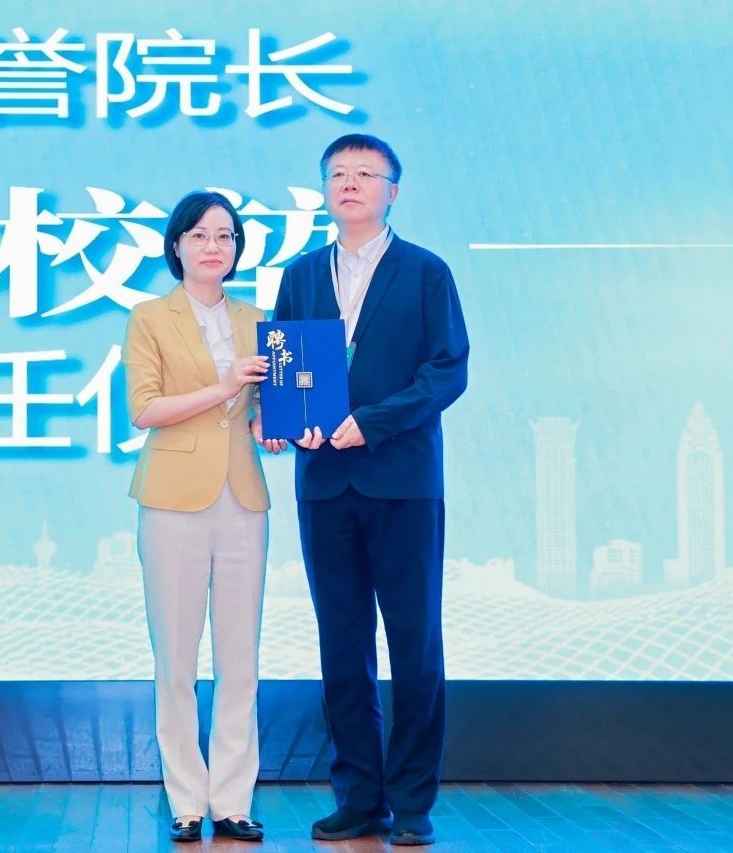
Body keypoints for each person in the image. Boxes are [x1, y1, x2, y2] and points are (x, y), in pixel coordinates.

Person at [272, 135, 469, 846]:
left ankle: (412, 801)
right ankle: (358, 796)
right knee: (342, 644)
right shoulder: (301, 274)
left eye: (365, 173)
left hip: (402, 482)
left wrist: (371, 423)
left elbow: (447, 371)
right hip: (325, 483)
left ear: (393, 190)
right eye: (338, 174)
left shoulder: (426, 272)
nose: (349, 183)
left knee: (414, 641)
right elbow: (287, 368)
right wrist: (286, 422)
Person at [123, 190, 284, 843]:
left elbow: (261, 411)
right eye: (199, 235)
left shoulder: (258, 319)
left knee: (241, 656)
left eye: (225, 235)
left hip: (243, 496)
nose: (213, 246)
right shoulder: (148, 317)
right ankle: (187, 799)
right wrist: (224, 386)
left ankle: (233, 799)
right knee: (177, 657)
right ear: (177, 245)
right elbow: (144, 409)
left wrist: (270, 426)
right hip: (171, 498)